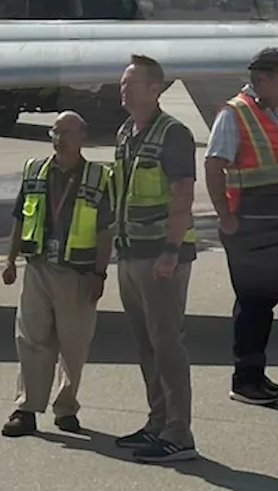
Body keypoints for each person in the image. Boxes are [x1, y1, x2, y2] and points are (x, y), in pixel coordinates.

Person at [1, 111, 115, 437]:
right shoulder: (35, 170)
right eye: (55, 132)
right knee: (31, 340)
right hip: (38, 267)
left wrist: (99, 274)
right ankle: (26, 408)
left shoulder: (97, 177)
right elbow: (20, 218)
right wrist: (10, 260)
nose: (59, 139)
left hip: (77, 273)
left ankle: (65, 408)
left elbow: (105, 232)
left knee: (73, 345)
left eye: (66, 133)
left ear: (83, 138)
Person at [110, 54, 199, 463]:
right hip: (131, 253)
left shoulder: (173, 134)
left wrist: (171, 251)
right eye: (122, 83)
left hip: (161, 258)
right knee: (146, 344)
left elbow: (183, 194)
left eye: (131, 84)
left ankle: (179, 434)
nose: (123, 89)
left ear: (155, 89)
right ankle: (158, 422)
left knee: (167, 345)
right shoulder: (126, 133)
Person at [204, 47, 278, 405]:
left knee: (265, 302)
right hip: (250, 226)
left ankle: (255, 373)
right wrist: (225, 216)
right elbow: (214, 165)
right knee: (252, 301)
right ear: (262, 78)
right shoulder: (235, 114)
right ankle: (244, 380)